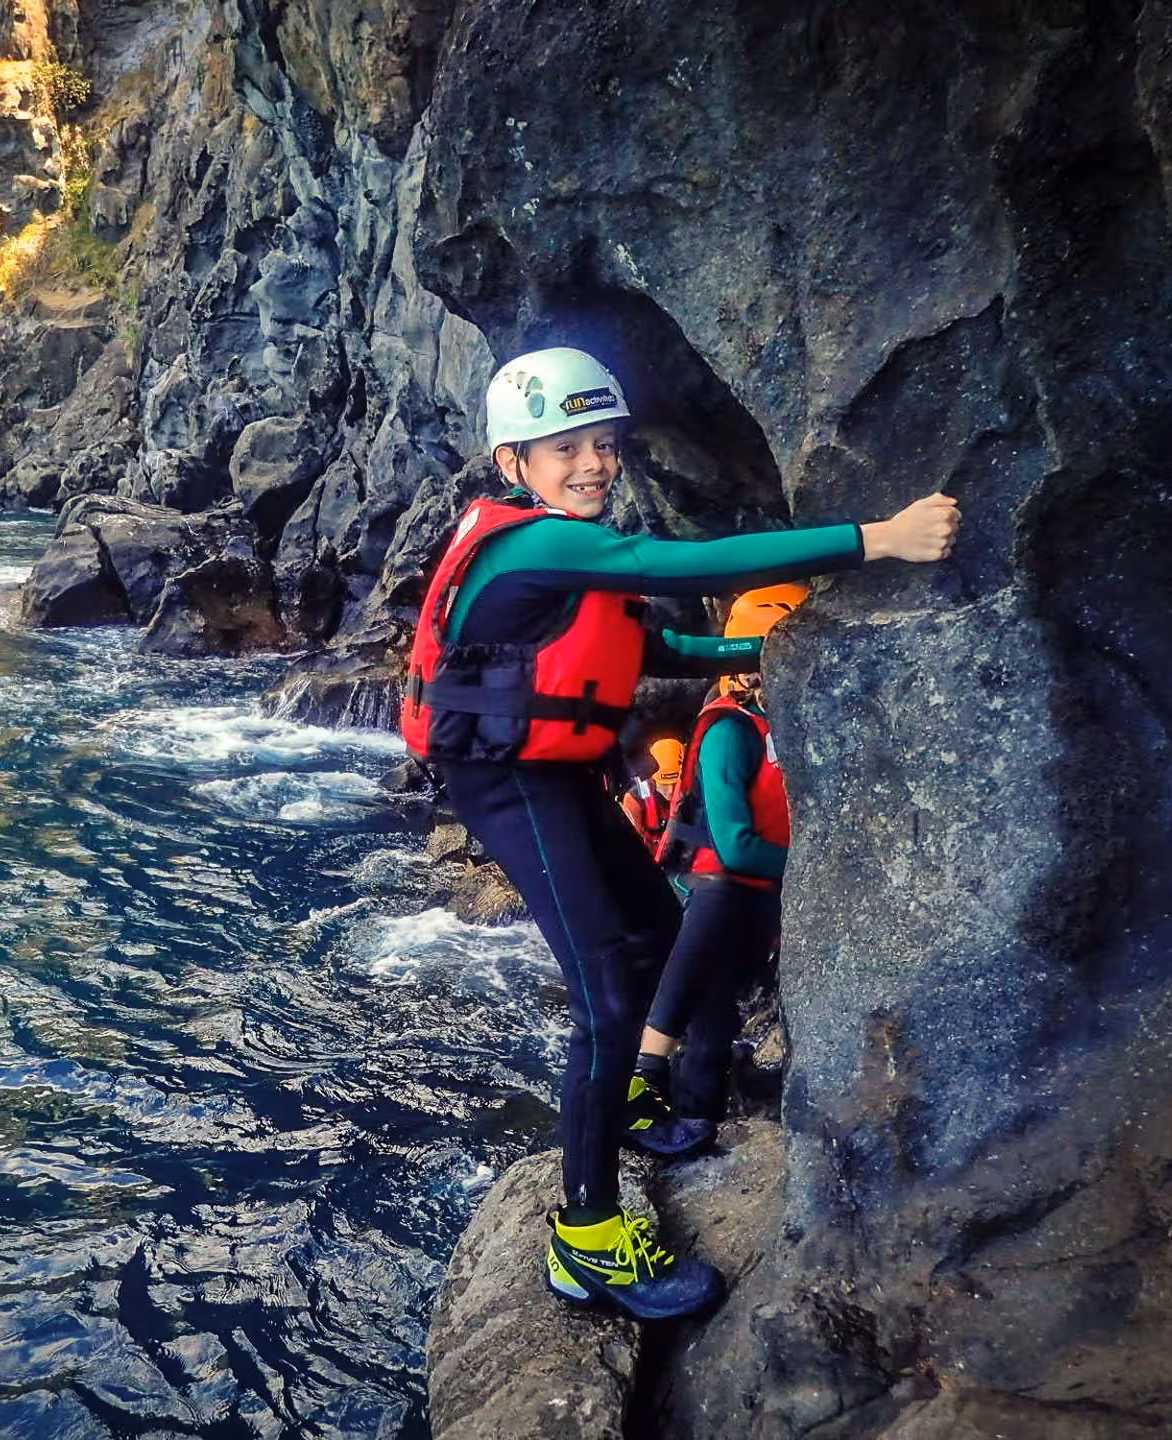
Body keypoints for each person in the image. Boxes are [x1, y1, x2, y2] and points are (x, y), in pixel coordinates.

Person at [400, 347, 959, 1322]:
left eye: (606, 445)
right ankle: (588, 1240)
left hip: (558, 775)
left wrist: (765, 646)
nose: (592, 465)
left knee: (656, 934)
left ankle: (624, 1105)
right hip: (509, 784)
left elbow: (653, 645)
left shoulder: (556, 548)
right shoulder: (537, 547)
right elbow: (682, 565)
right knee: (609, 999)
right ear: (512, 464)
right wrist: (879, 539)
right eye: (563, 447)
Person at [630, 585, 803, 1161]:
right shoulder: (730, 732)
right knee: (700, 994)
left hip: (751, 893)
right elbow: (733, 847)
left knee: (718, 1012)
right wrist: (808, 869)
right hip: (715, 888)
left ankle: (696, 1120)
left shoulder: (777, 728)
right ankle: (645, 1076)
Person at [621, 737, 684, 852]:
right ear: (652, 778)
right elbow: (629, 849)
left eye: (675, 784)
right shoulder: (634, 801)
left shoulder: (693, 790)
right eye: (664, 785)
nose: (670, 791)